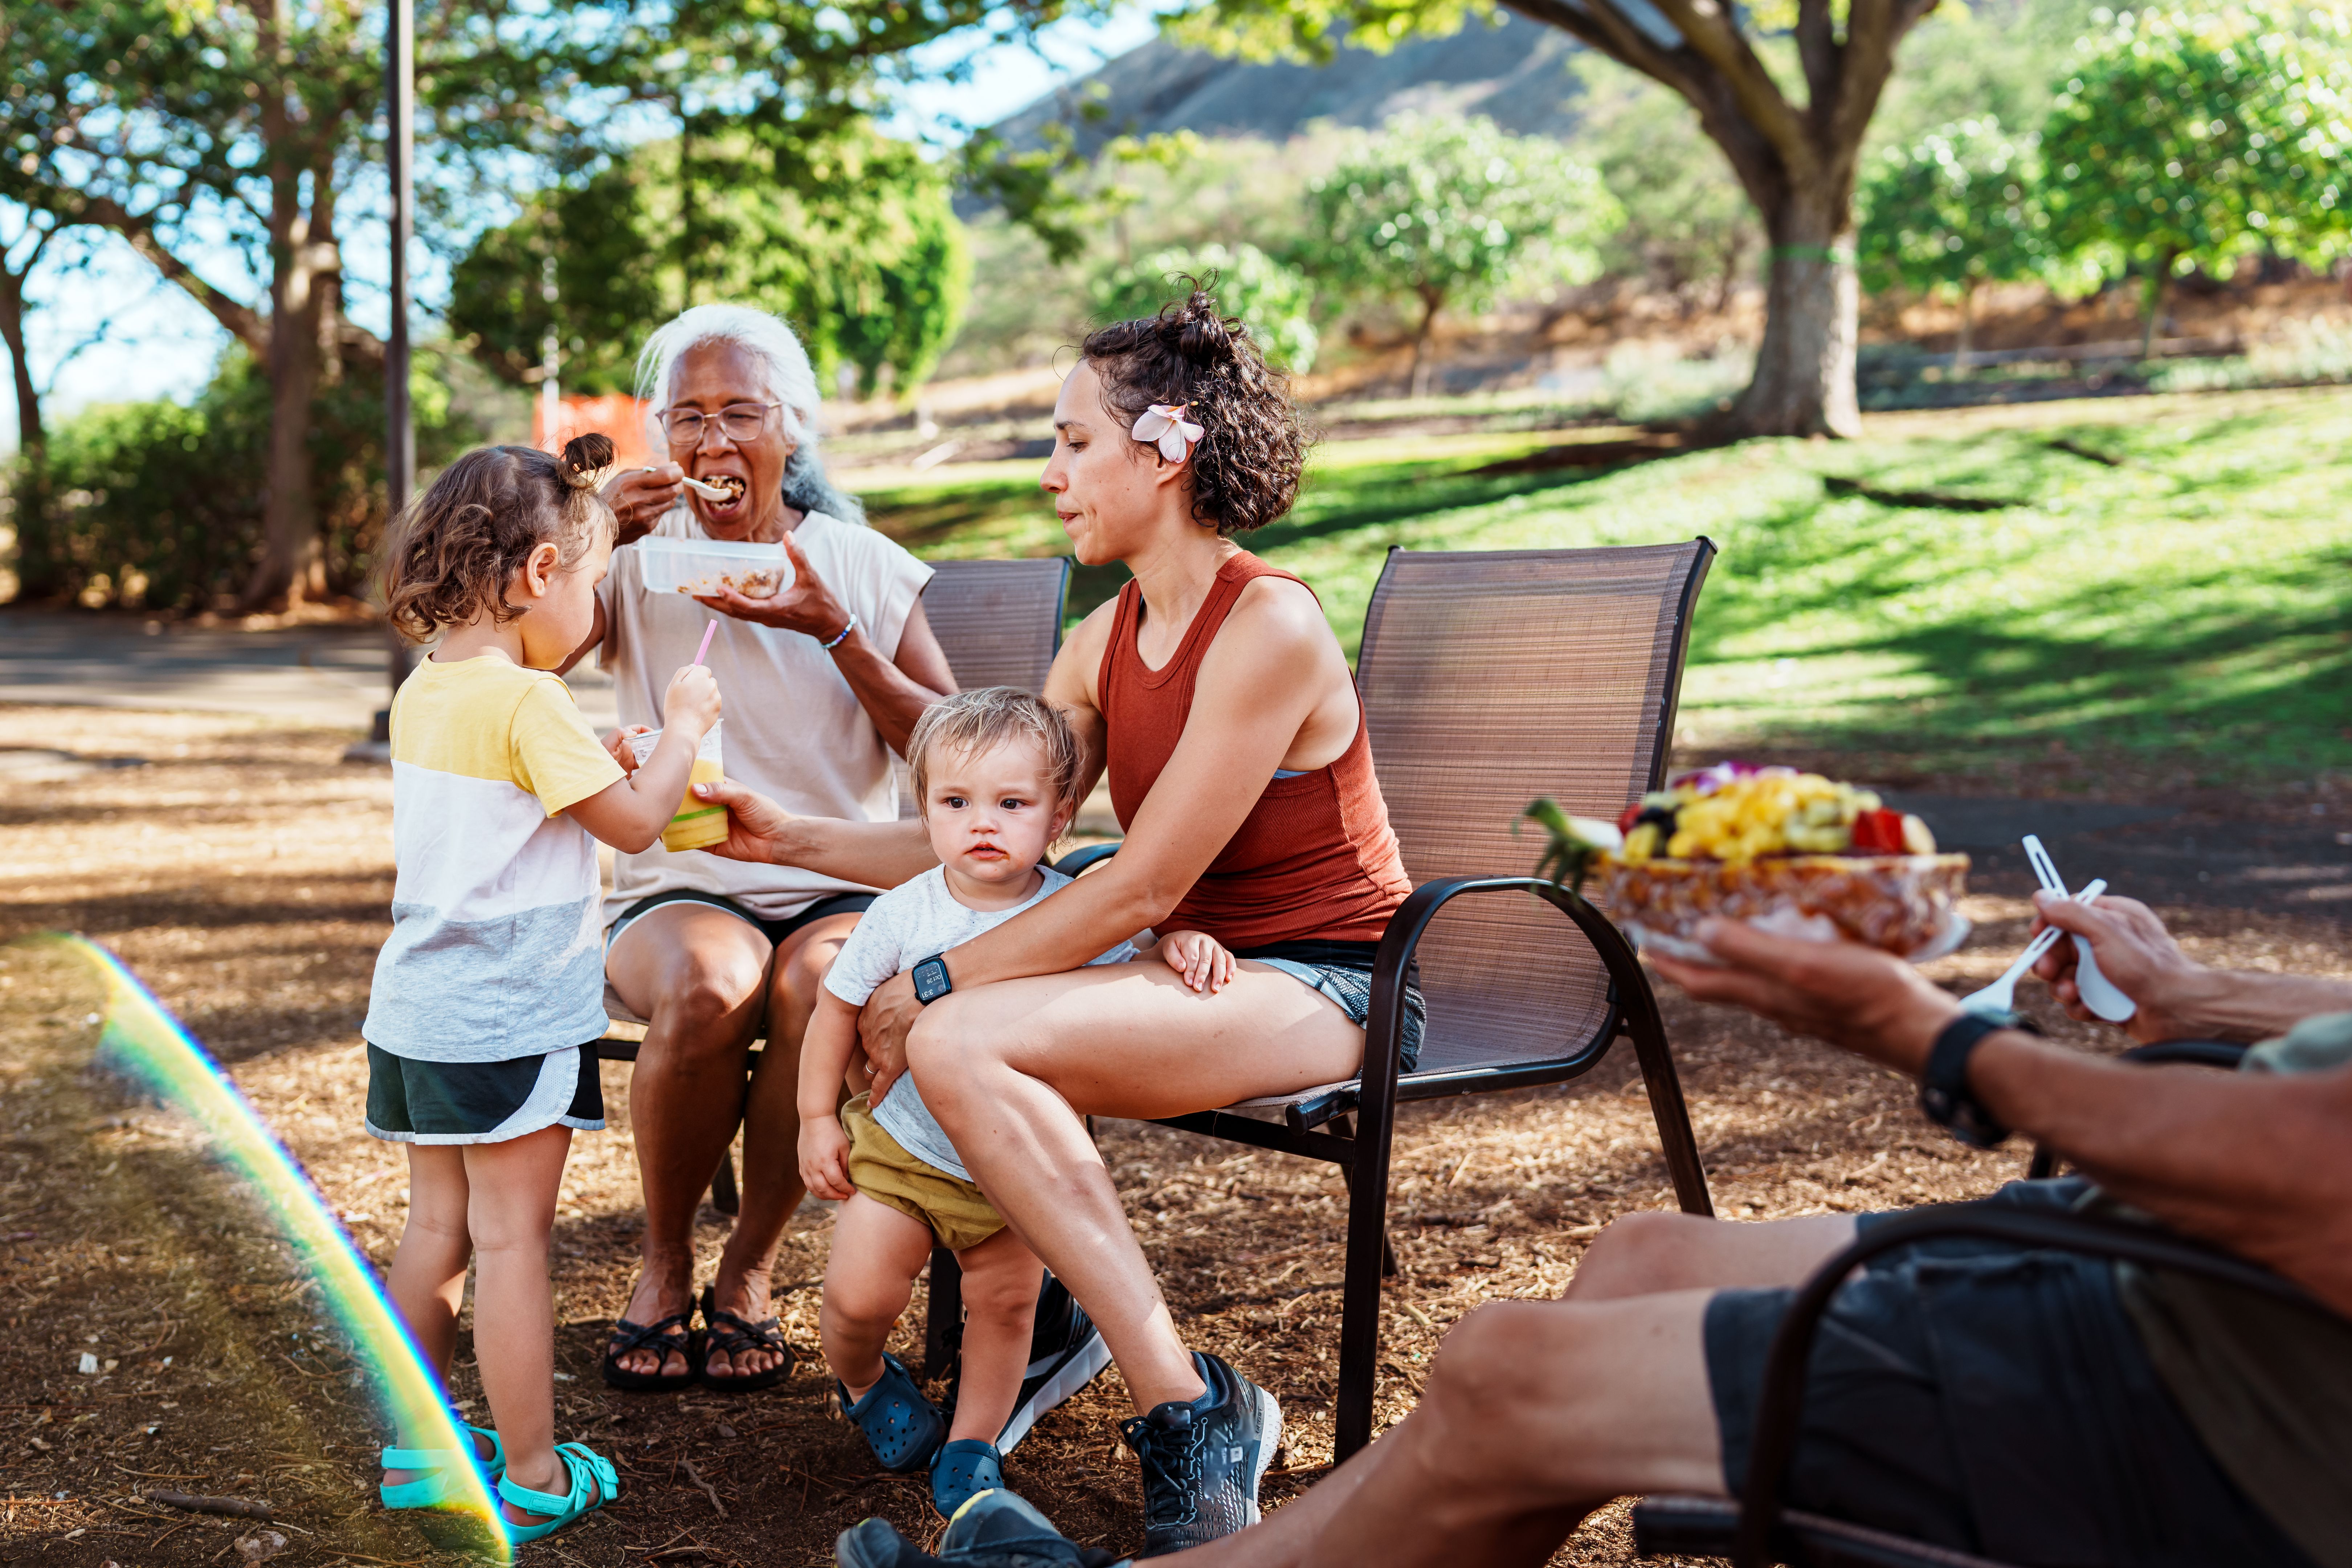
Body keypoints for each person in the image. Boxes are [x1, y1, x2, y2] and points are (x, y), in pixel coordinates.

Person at [831, 891, 2352, 1568]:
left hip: (2235, 1391)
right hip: (2153, 1253)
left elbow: (2312, 1174)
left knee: (1506, 1380)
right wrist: (2203, 997)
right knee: (1637, 1262)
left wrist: (1927, 1037)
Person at [690, 289, 1429, 1551]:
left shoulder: (1269, 626)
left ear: (1169, 445)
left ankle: (1195, 1410)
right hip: (1189, 972)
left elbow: (1137, 886)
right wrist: (789, 837)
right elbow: (992, 837)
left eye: (1074, 441)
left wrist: (922, 984)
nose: (1051, 474)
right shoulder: (1102, 642)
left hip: (1334, 983)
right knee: (956, 1031)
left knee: (956, 1034)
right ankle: (1083, 1317)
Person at [560, 303, 957, 1393]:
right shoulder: (637, 562)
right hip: (680, 879)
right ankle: (661, 1259)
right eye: (687, 417)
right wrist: (602, 533)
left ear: (794, 427)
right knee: (707, 981)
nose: (713, 440)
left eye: (741, 411)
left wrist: (833, 628)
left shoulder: (862, 567)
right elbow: (534, 651)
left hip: (834, 879)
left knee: (818, 984)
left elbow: (960, 754)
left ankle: (748, 1271)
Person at [364, 432, 723, 1539]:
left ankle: (419, 1455)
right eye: (596, 581)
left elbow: (521, 793)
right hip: (506, 1021)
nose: (597, 607)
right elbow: (639, 822)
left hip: (419, 1017)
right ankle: (531, 1475)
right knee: (515, 1242)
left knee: (439, 1232)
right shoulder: (531, 708)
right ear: (537, 578)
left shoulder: (433, 688)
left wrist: (597, 751)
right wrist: (686, 730)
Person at [804, 687, 1242, 1519]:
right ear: (925, 810)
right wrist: (816, 1118)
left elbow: (1134, 953)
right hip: (904, 1156)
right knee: (857, 1299)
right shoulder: (905, 911)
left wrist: (1177, 938)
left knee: (1003, 1310)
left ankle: (974, 1442)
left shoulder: (1069, 915)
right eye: (957, 802)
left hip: (1017, 1166)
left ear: (1059, 818)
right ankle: (864, 1383)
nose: (984, 823)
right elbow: (836, 1009)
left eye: (1013, 804)